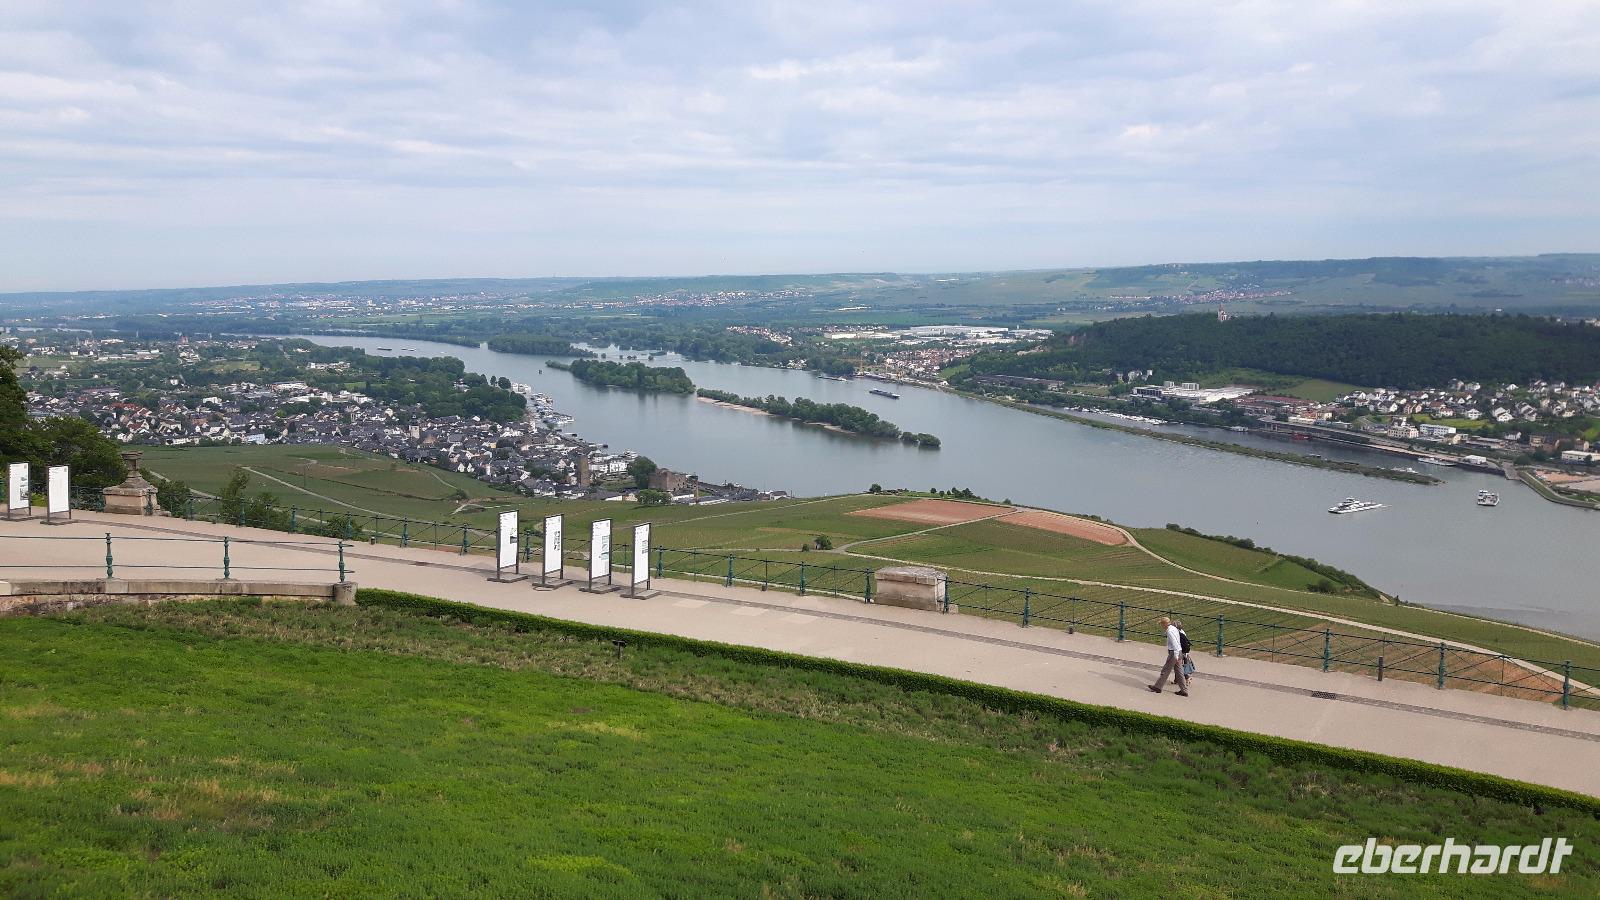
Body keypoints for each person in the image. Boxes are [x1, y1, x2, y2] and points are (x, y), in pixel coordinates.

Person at [1148, 616, 1189, 696]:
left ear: (1165, 624)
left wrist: (1176, 656)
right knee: (1179, 672)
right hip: (1179, 651)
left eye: (1161, 624)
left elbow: (1174, 643)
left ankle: (1158, 687)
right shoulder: (1174, 629)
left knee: (1166, 670)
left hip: (1174, 653)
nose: (1161, 626)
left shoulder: (1170, 631)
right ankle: (1184, 690)